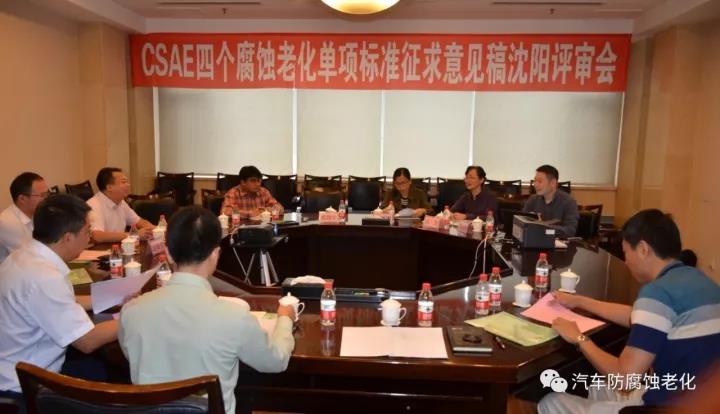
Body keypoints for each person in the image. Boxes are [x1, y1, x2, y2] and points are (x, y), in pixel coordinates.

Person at [539, 209, 720, 414]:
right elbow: (636, 316)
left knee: (551, 401)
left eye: (626, 253)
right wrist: (579, 301)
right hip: (702, 401)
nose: (626, 262)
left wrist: (579, 338)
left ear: (643, 249)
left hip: (671, 407)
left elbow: (625, 379)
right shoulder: (700, 281)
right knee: (597, 387)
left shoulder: (657, 293)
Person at [119, 206, 295, 414]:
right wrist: (285, 318)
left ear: (168, 254)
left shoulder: (131, 311)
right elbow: (275, 361)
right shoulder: (234, 317)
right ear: (215, 254)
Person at [0, 195, 119, 408]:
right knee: (111, 384)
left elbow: (62, 302)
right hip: (24, 387)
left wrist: (115, 296)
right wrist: (136, 313)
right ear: (67, 238)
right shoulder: (44, 277)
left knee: (99, 369)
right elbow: (87, 341)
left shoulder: (24, 255)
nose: (90, 238)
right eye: (87, 231)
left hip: (17, 363)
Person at [86, 167, 154, 243]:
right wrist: (134, 235)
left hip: (119, 246)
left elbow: (139, 222)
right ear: (109, 187)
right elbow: (97, 236)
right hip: (101, 248)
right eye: (123, 182)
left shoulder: (121, 202)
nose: (128, 185)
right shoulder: (94, 205)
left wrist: (157, 230)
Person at [0, 172, 49, 263]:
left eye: (47, 193)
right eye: (42, 195)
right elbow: (32, 257)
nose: (47, 199)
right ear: (22, 199)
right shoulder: (8, 222)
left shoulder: (35, 213)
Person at [523, 165, 579, 238]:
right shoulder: (533, 199)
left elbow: (570, 231)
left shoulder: (568, 202)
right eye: (535, 181)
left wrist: (544, 228)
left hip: (557, 242)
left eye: (540, 181)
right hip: (533, 239)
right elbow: (522, 222)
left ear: (553, 183)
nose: (535, 184)